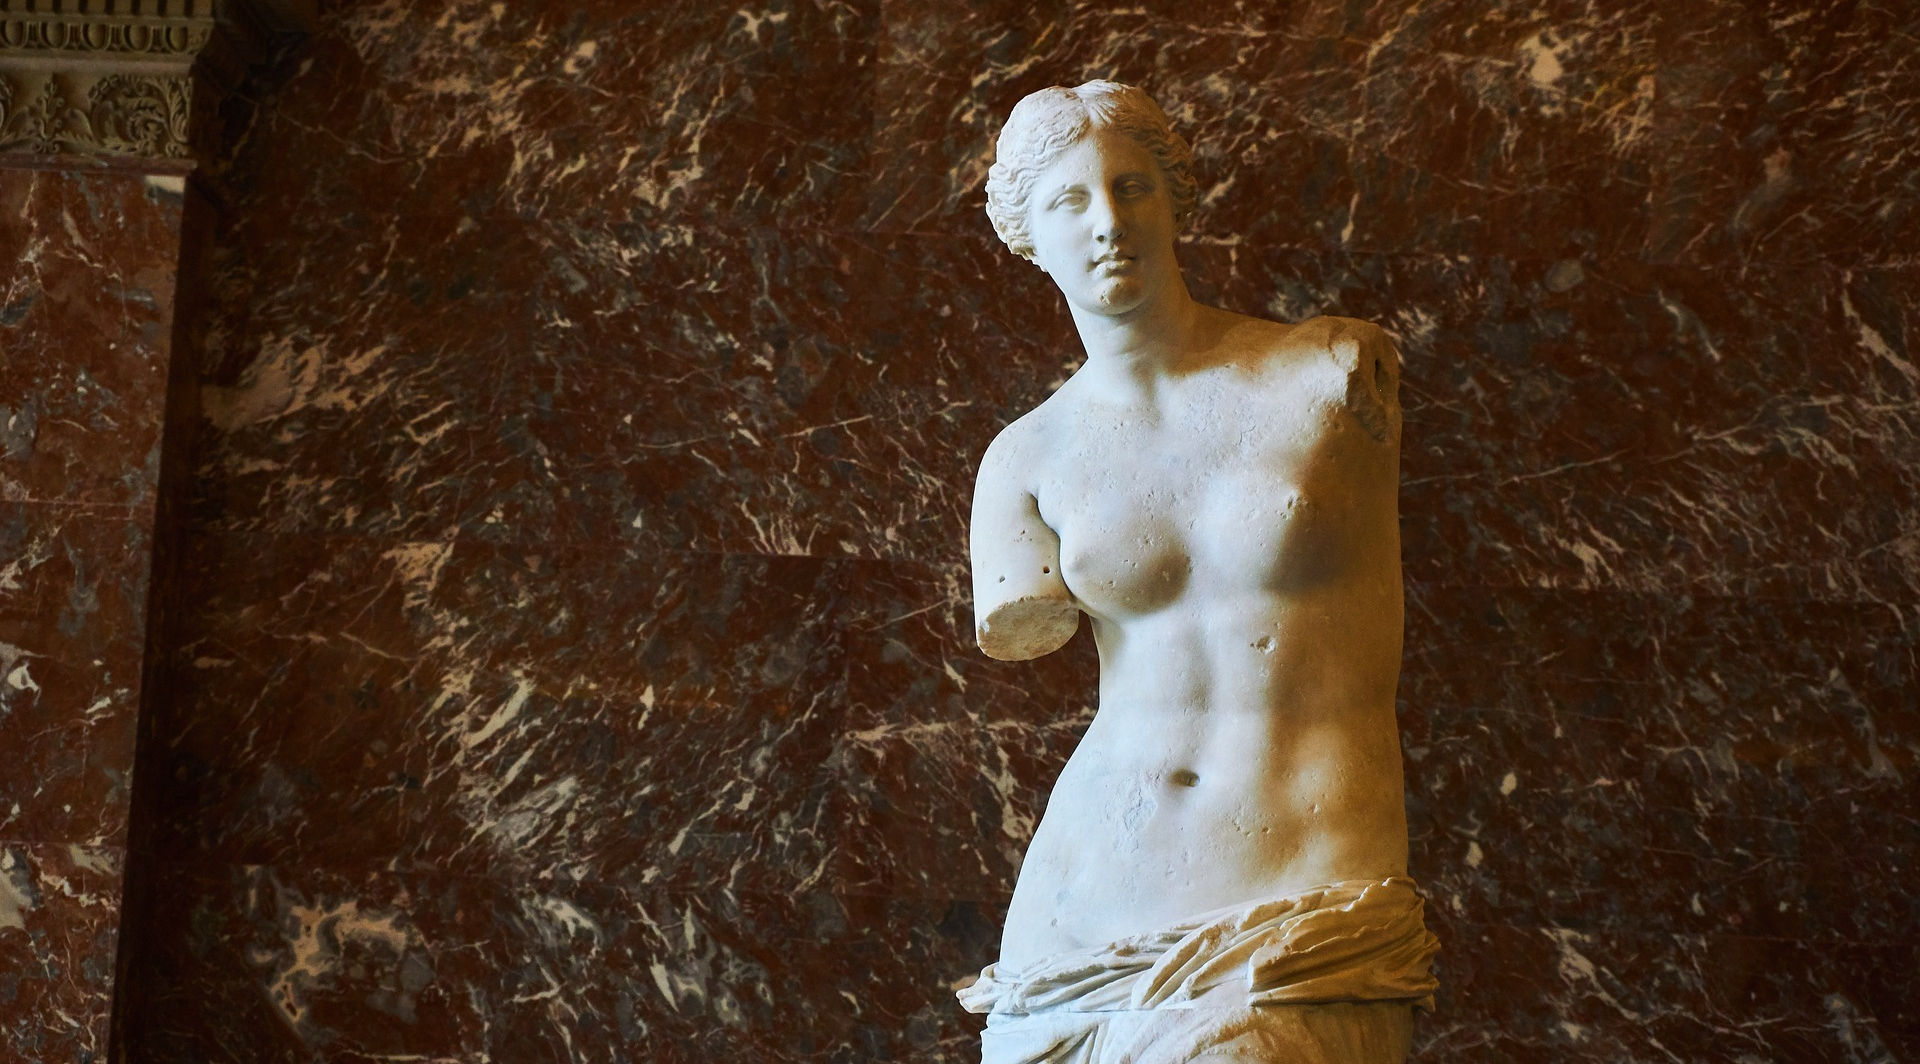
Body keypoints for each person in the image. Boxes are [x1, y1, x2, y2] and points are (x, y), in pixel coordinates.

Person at [961, 81, 1439, 1064]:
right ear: (1026, 235)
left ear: (1175, 200)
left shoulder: (1330, 371)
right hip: (1080, 909)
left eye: (1131, 187)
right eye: (1069, 201)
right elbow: (1025, 622)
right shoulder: (1025, 459)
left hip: (1294, 889)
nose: (1108, 221)